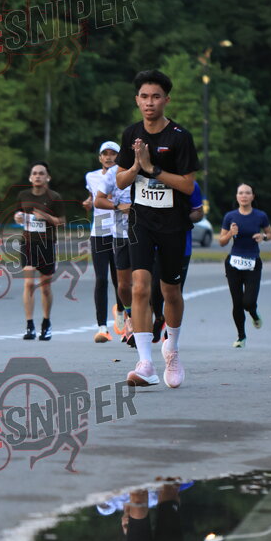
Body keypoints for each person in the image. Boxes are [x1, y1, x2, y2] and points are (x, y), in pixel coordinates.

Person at [116, 69, 199, 388]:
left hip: (173, 224)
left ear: (166, 100)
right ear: (136, 100)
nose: (149, 102)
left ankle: (171, 349)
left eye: (155, 97)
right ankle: (145, 363)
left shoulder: (180, 137)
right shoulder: (131, 134)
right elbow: (120, 180)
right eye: (144, 97)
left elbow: (188, 185)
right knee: (139, 287)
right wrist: (137, 166)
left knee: (170, 292)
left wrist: (153, 169)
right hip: (141, 221)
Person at [14, 162, 65, 341]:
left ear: (47, 177)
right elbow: (19, 214)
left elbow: (62, 221)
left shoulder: (54, 197)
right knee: (29, 284)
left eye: (41, 173)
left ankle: (46, 323)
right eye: (34, 173)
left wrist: (46, 217)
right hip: (28, 244)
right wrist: (18, 217)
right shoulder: (23, 195)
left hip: (47, 244)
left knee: (45, 286)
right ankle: (29, 325)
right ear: (30, 177)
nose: (37, 176)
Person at [219, 183, 271, 347]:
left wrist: (263, 237)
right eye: (241, 193)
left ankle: (254, 314)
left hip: (253, 263)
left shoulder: (260, 215)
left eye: (247, 193)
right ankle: (241, 337)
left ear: (252, 196)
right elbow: (222, 242)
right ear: (237, 197)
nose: (244, 196)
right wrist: (230, 233)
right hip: (233, 263)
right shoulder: (230, 217)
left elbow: (270, 234)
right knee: (237, 302)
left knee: (248, 302)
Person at [151, 181, 204, 342]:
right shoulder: (150, 182)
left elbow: (199, 213)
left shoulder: (189, 185)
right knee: (154, 290)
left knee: (174, 291)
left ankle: (170, 330)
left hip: (181, 246)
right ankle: (159, 317)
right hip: (154, 245)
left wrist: (182, 218)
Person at [83, 142, 125, 343]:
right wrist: (88, 202)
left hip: (120, 231)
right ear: (100, 157)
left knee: (120, 279)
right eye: (105, 154)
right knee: (101, 279)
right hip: (99, 231)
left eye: (113, 154)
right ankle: (102, 327)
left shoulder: (125, 175)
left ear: (119, 156)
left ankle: (122, 314)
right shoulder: (91, 176)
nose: (109, 157)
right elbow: (93, 196)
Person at [94, 163, 135, 346]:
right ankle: (128, 315)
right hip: (118, 234)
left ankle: (136, 325)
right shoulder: (111, 173)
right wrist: (118, 206)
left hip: (146, 233)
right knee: (122, 285)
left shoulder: (150, 167)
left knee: (142, 283)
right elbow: (97, 200)